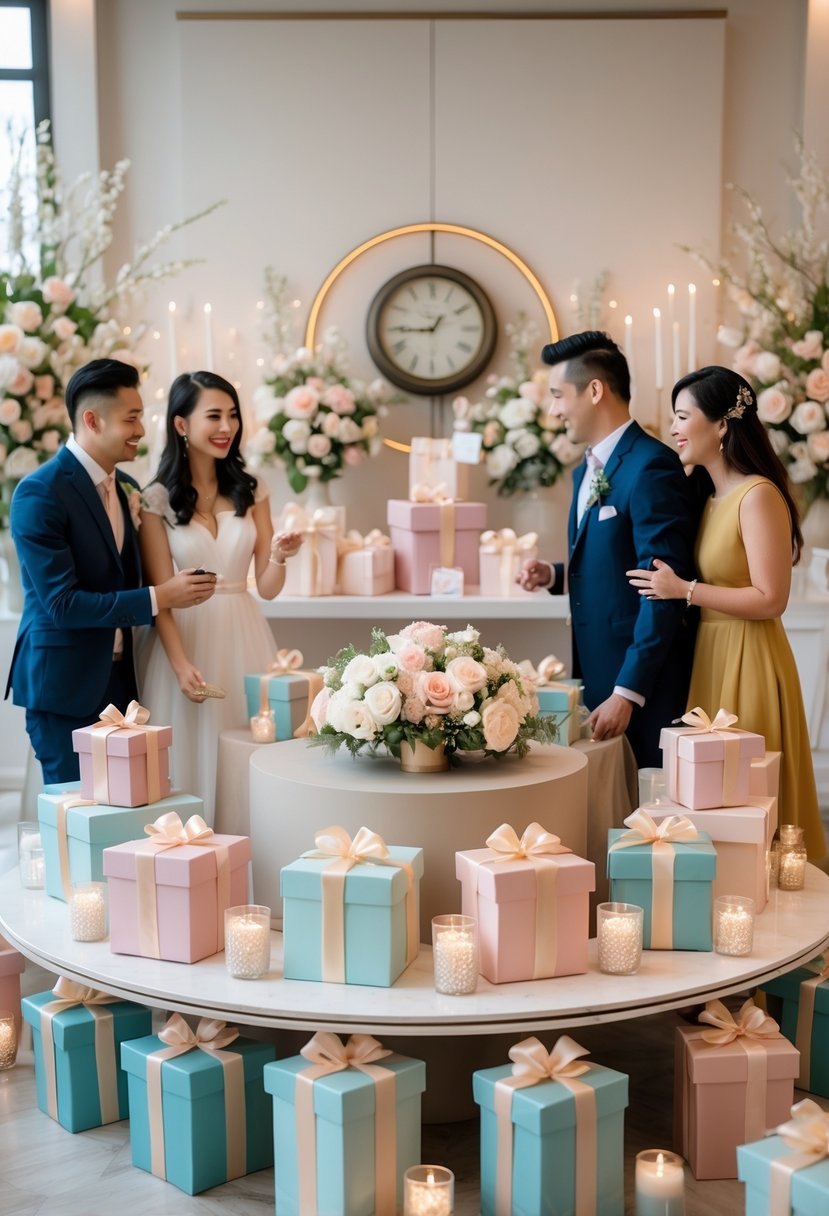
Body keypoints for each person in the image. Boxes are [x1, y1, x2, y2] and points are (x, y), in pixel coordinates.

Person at [627, 365, 825, 858]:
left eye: (681, 416)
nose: (672, 429)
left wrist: (684, 590)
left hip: (750, 655)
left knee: (748, 790)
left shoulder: (757, 495)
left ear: (721, 425)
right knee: (712, 794)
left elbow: (770, 598)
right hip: (711, 654)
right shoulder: (710, 497)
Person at [6, 358, 215, 783]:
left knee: (122, 818)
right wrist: (160, 597)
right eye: (132, 418)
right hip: (65, 688)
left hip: (122, 683)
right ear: (92, 420)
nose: (141, 430)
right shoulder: (40, 493)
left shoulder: (129, 490)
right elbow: (62, 605)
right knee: (74, 820)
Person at [518, 331, 698, 768]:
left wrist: (627, 692)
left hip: (640, 680)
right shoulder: (587, 468)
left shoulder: (651, 465)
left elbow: (661, 588)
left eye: (559, 395)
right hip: (597, 667)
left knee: (647, 805)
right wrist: (556, 574)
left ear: (594, 390)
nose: (554, 409)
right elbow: (616, 559)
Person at [139, 370, 301, 824]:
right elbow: (160, 595)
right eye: (214, 415)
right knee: (188, 757)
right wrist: (179, 664)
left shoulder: (252, 489)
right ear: (181, 424)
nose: (226, 426)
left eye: (232, 415)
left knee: (248, 747)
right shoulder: (154, 499)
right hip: (184, 639)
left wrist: (281, 556)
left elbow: (267, 588)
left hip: (245, 634)